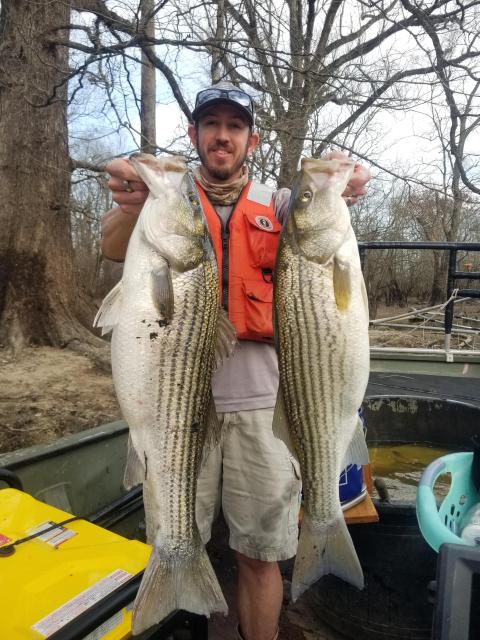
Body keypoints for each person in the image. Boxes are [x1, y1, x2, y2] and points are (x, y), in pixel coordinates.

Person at [101, 81, 371, 640]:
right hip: (173, 403)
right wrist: (132, 196)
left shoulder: (280, 204)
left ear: (251, 138)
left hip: (266, 402)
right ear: (195, 133)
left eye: (234, 126)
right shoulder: (166, 201)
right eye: (211, 125)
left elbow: (329, 225)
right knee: (176, 538)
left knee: (260, 555)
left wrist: (347, 183)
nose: (222, 136)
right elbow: (110, 243)